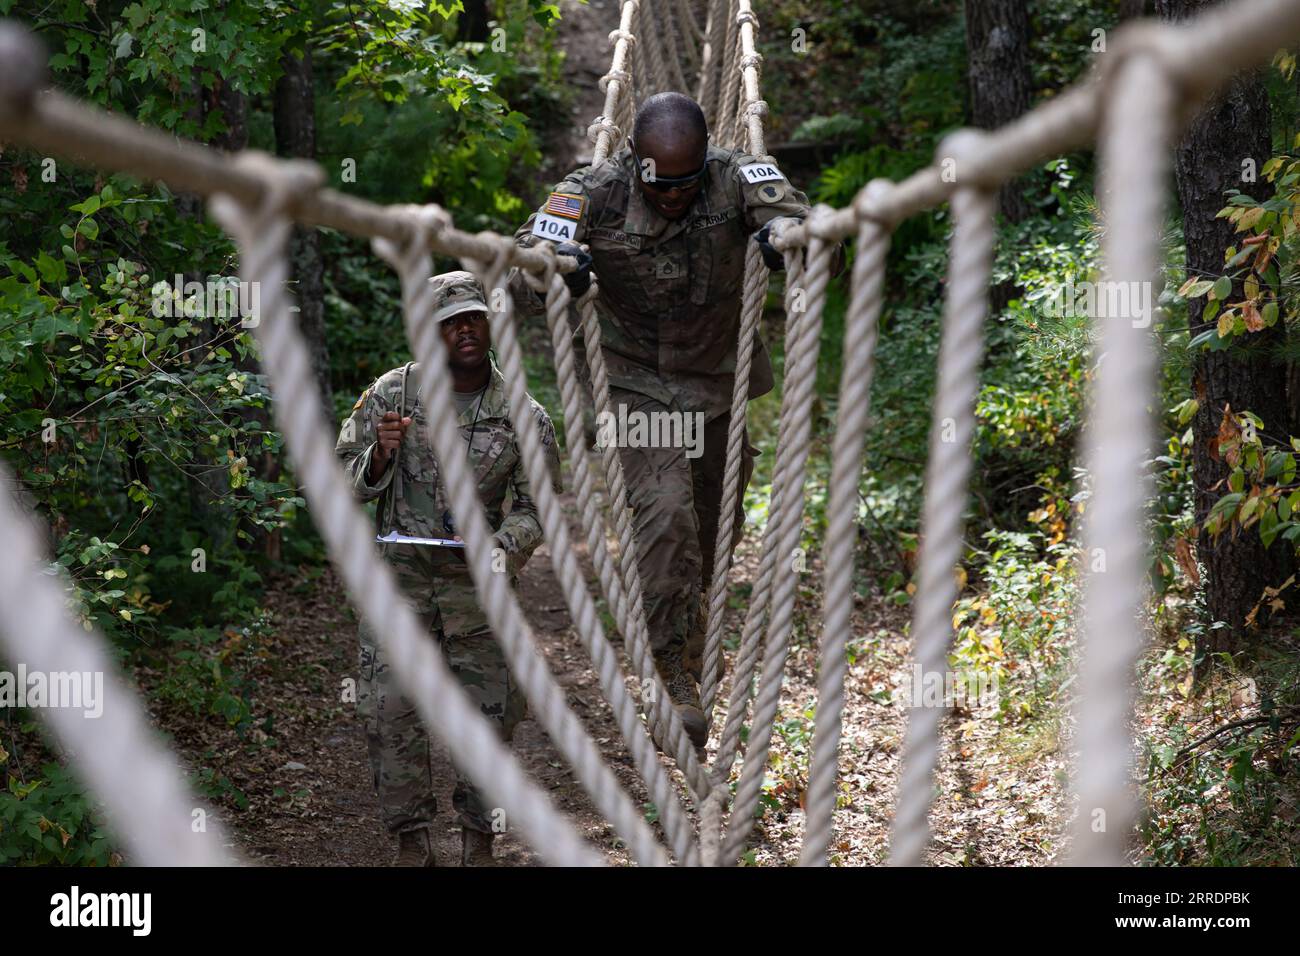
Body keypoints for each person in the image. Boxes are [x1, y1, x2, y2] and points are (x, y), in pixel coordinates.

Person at [510, 91, 834, 748]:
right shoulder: (593, 190)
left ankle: (692, 636)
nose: (674, 197)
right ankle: (669, 676)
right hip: (634, 384)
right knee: (665, 518)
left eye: (687, 184)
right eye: (660, 184)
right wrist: (558, 268)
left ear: (705, 161)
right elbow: (528, 254)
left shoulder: (737, 175)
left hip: (716, 384)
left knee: (714, 531)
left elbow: (802, 222)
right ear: (635, 162)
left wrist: (783, 242)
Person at [336, 270, 561, 866]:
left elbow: (539, 510)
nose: (464, 329)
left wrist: (500, 545)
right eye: (449, 322)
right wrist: (379, 455)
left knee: (488, 720)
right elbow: (340, 479)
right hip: (399, 585)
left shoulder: (525, 415)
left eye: (474, 318)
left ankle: (478, 841)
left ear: (490, 324)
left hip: (478, 595)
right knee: (388, 711)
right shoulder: (390, 396)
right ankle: (412, 842)